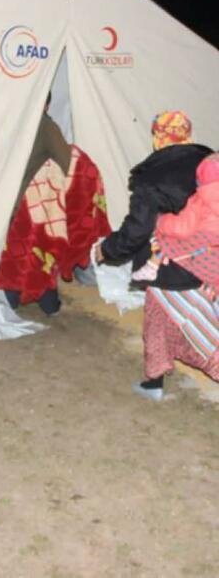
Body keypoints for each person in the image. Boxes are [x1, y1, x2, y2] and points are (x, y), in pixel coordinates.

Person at [94, 111, 213, 400]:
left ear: (158, 137)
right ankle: (153, 381)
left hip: (171, 263)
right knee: (158, 319)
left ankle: (161, 379)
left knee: (203, 333)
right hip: (210, 260)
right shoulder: (209, 164)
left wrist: (106, 249)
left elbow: (137, 230)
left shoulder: (152, 178)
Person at [0, 94, 109, 314]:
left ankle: (12, 300)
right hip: (29, 203)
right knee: (41, 254)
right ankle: (48, 305)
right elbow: (68, 163)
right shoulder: (45, 125)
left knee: (16, 253)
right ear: (46, 104)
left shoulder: (12, 122)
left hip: (4, 199)